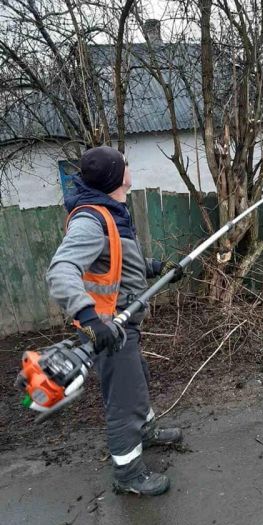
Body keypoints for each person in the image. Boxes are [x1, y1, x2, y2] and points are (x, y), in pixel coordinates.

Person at [46, 146, 183, 496]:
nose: (129, 167)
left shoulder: (112, 213)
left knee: (138, 380)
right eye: (124, 164)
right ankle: (128, 473)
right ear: (115, 176)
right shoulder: (91, 220)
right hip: (110, 329)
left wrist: (153, 268)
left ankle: (146, 431)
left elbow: (117, 257)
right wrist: (89, 318)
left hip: (126, 327)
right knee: (125, 398)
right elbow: (61, 270)